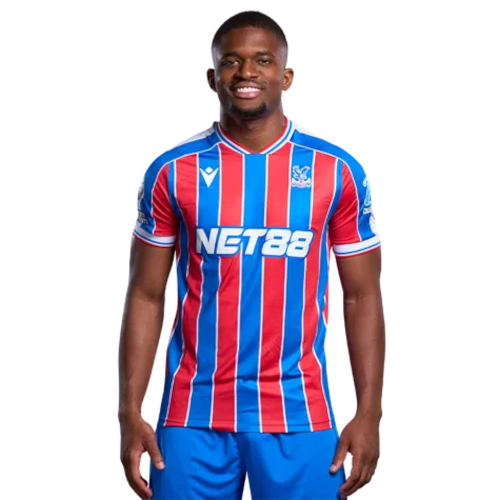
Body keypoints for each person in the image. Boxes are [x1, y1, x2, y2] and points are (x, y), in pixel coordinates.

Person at [117, 8, 386, 500]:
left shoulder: (337, 170)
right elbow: (146, 294)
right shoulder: (172, 171)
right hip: (191, 413)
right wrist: (128, 412)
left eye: (263, 60)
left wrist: (370, 413)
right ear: (210, 77)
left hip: (300, 413)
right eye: (231, 60)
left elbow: (363, 295)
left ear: (287, 75)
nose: (246, 72)